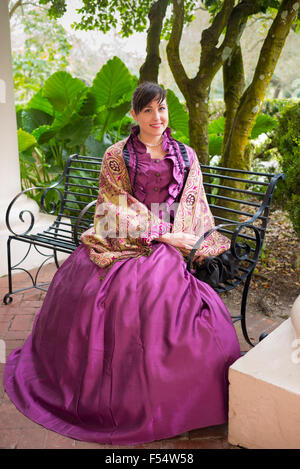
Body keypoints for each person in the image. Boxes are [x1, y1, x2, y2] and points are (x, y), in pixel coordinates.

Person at [3, 82, 241, 446]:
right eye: (147, 110)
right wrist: (163, 235)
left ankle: (187, 394)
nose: (156, 117)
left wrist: (184, 238)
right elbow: (113, 207)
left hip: (177, 237)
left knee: (175, 298)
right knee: (129, 291)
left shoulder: (185, 154)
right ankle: (129, 395)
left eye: (161, 109)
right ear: (134, 114)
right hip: (128, 237)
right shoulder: (117, 155)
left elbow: (194, 203)